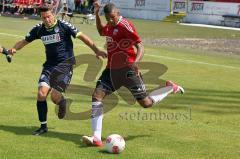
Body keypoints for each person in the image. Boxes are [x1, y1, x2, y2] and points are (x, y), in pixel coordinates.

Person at [82, 2, 184, 147]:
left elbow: (140, 45)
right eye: (108, 18)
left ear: (117, 13)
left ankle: (170, 88)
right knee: (97, 96)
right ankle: (96, 138)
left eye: (112, 17)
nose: (110, 21)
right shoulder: (110, 25)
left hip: (128, 70)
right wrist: (97, 14)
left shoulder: (125, 25)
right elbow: (100, 31)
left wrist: (136, 62)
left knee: (146, 103)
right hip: (111, 70)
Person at [8, 4, 107, 135]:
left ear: (53, 14)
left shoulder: (64, 26)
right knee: (41, 94)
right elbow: (24, 41)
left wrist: (97, 50)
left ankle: (62, 101)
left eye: (48, 16)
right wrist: (14, 49)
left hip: (65, 66)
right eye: (44, 18)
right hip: (49, 66)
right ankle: (43, 127)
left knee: (55, 97)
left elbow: (83, 37)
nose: (47, 20)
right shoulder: (39, 29)